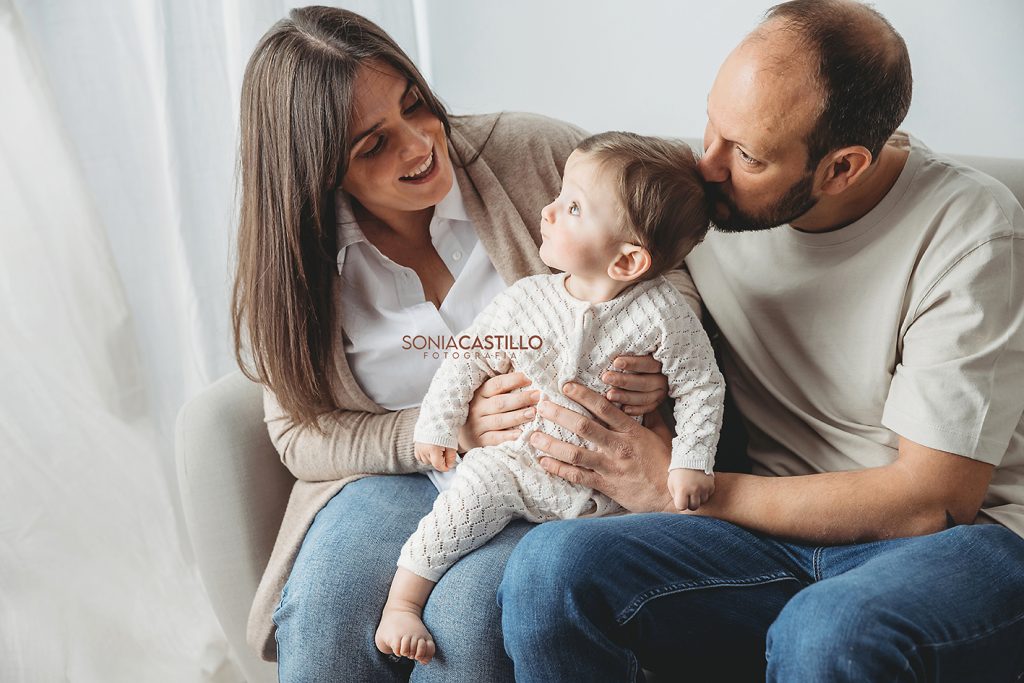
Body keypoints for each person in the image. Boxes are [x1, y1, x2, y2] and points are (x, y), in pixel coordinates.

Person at [497, 1, 1024, 681]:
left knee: (830, 629)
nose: (707, 164)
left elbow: (931, 500)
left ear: (841, 168)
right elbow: (622, 280)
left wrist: (675, 486)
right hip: (765, 539)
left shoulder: (969, 234)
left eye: (746, 155)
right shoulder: (702, 200)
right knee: (549, 570)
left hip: (957, 545)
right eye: (711, 124)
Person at [230, 7, 686, 681]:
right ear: (317, 169)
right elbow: (299, 435)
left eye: (415, 106)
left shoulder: (532, 154)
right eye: (372, 146)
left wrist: (654, 369)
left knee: (467, 620)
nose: (419, 145)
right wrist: (441, 429)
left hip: (541, 471)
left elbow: (665, 258)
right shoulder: (289, 259)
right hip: (389, 479)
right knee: (326, 611)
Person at [374, 132, 724, 665]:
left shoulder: (662, 314)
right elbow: (468, 356)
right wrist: (437, 425)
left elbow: (700, 385)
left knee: (623, 555)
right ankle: (404, 601)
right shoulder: (526, 301)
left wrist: (692, 461)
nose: (548, 210)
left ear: (628, 262)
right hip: (517, 461)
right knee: (461, 505)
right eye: (561, 197)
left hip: (607, 485)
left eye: (574, 207)